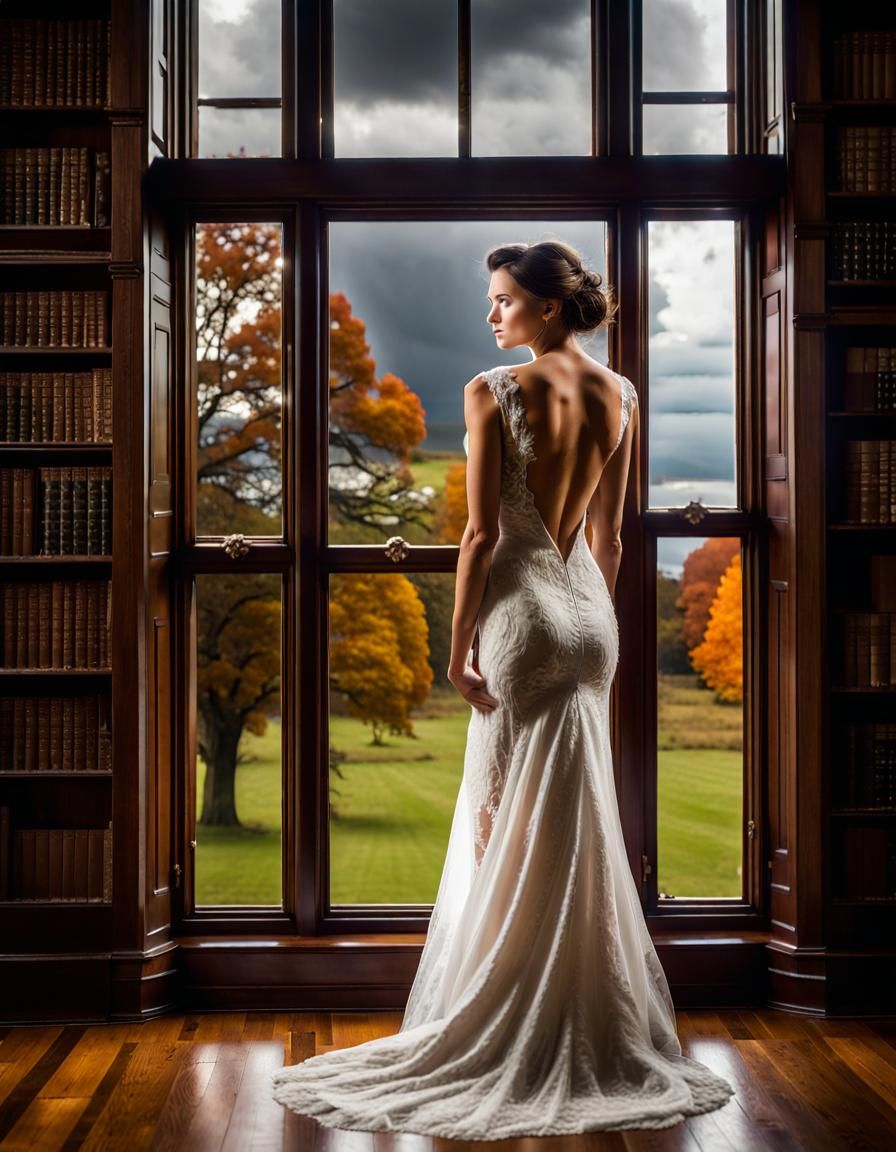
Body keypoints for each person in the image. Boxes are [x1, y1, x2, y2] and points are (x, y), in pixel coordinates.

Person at [271, 239, 736, 1138]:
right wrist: (592, 621)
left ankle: (512, 1007)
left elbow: (482, 536)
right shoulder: (622, 395)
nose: (491, 316)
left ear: (548, 309)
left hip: (522, 613)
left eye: (503, 300)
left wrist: (456, 649)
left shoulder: (494, 390)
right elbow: (610, 535)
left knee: (502, 817)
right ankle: (588, 1017)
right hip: (591, 616)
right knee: (578, 814)